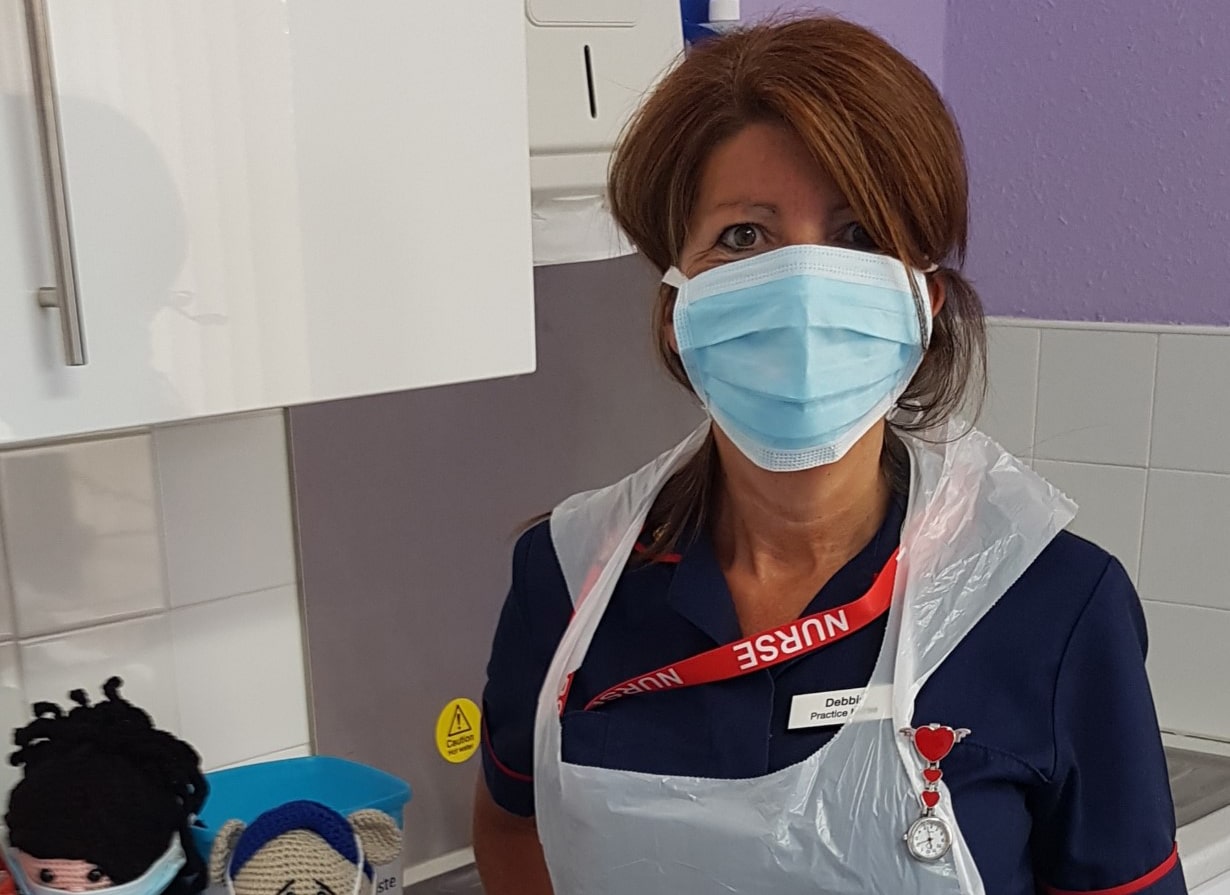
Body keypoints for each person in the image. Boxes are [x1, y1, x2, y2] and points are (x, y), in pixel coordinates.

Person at [474, 16, 1184, 895]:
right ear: (675, 308)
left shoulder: (1051, 605)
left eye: (855, 237)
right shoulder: (570, 578)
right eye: (743, 236)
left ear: (920, 306)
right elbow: (510, 827)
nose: (802, 286)